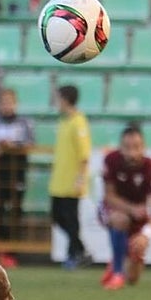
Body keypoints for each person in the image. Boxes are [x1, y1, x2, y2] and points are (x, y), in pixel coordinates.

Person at [99, 124, 151, 290]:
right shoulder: (111, 160)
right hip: (111, 210)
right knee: (120, 219)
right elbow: (109, 197)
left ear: (144, 147)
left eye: (136, 147)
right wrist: (131, 209)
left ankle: (118, 260)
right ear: (121, 147)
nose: (132, 153)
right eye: (127, 147)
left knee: (133, 279)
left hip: (138, 218)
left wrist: (146, 235)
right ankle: (117, 273)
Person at [0, 88, 33, 269]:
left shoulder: (23, 123)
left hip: (16, 172)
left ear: (15, 103)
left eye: (9, 102)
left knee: (14, 213)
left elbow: (30, 143)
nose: (6, 105)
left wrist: (14, 145)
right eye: (3, 102)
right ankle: (0, 250)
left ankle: (12, 252)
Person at [49, 85, 93, 269]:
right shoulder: (64, 121)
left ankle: (73, 254)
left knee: (71, 219)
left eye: (58, 99)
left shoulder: (78, 122)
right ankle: (81, 250)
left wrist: (80, 178)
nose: (57, 103)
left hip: (72, 180)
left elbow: (84, 154)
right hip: (59, 179)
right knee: (58, 217)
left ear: (66, 99)